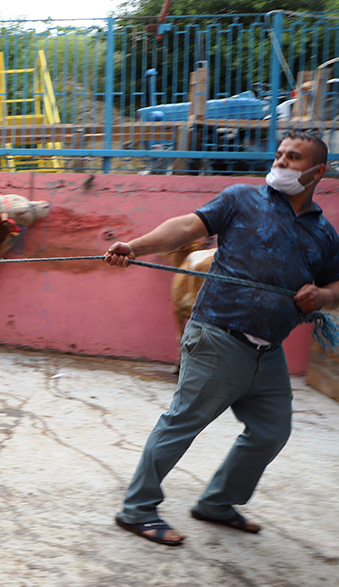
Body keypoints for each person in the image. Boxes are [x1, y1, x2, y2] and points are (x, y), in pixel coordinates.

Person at [103, 130, 339, 546]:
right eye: (280, 154)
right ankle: (136, 509)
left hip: (268, 352)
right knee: (182, 423)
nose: (281, 162)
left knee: (271, 431)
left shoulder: (324, 233)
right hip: (217, 335)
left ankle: (217, 502)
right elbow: (184, 227)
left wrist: (322, 295)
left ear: (318, 171)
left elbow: (336, 286)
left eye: (294, 158)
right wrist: (135, 247)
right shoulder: (241, 199)